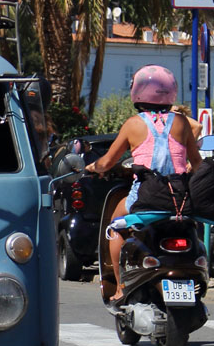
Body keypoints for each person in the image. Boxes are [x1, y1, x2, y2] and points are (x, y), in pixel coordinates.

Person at [86, 65, 202, 304]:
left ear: (137, 92)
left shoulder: (133, 124)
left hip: (145, 197)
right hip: (179, 197)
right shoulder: (181, 122)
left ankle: (119, 287)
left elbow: (108, 162)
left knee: (115, 227)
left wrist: (92, 167)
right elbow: (197, 162)